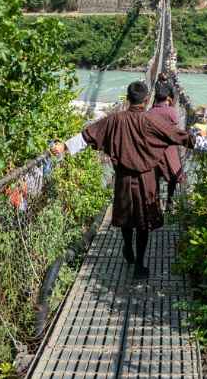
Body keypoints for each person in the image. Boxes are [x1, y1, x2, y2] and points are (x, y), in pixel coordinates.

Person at [53, 81, 195, 279]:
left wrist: (65, 147)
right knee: (144, 222)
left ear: (127, 99)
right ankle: (139, 264)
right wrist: (201, 140)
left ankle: (127, 247)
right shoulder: (152, 121)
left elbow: (88, 135)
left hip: (123, 179)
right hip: (147, 180)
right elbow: (178, 135)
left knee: (127, 217)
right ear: (146, 101)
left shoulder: (114, 120)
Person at [148, 81, 184, 206]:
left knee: (154, 177)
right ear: (168, 98)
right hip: (169, 149)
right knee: (174, 173)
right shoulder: (172, 112)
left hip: (152, 150)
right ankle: (169, 200)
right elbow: (175, 131)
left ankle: (155, 201)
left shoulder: (149, 113)